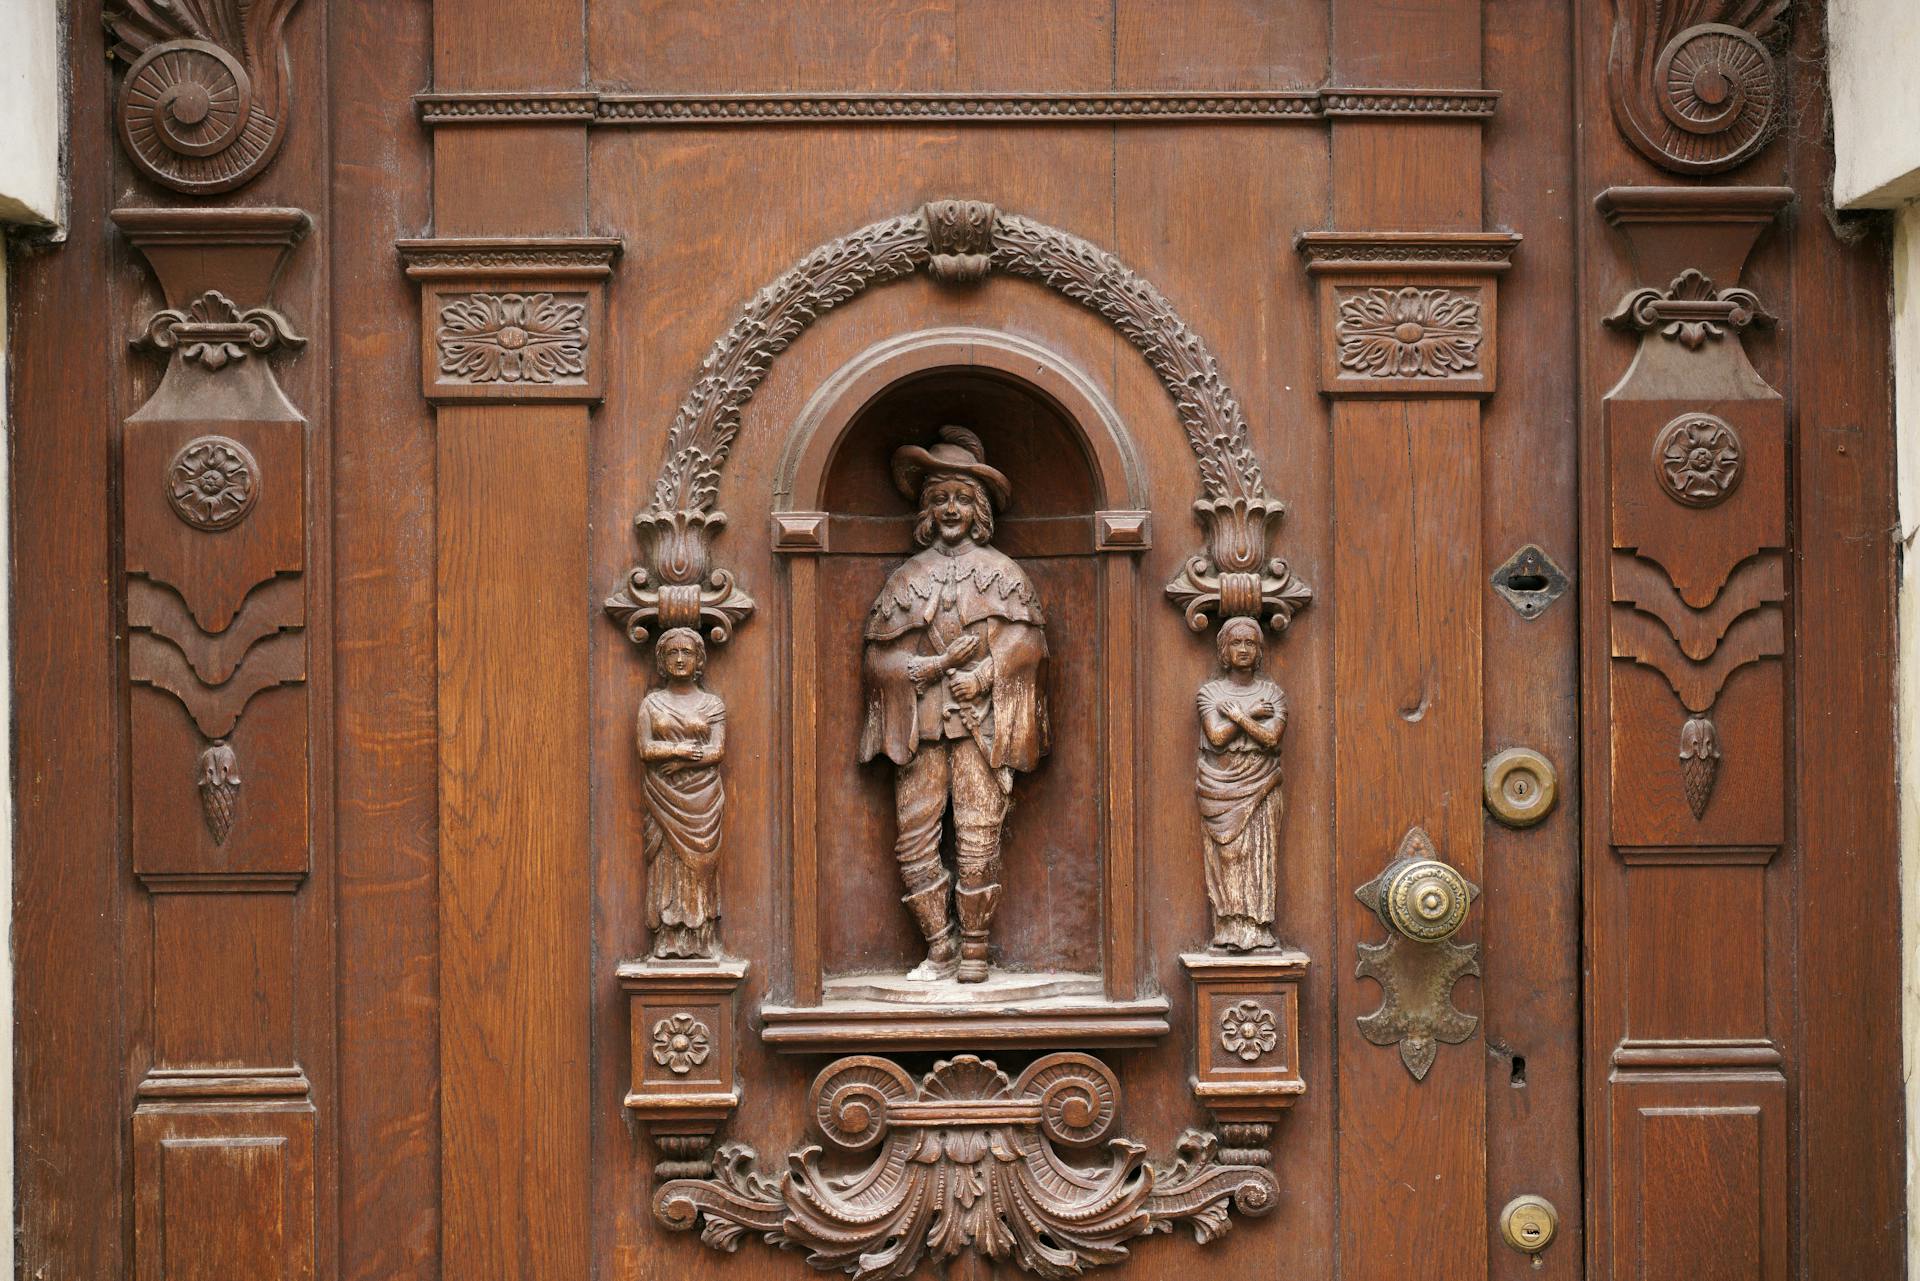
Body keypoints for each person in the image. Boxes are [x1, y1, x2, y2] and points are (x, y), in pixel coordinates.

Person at [859, 425, 1049, 982]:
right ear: (925, 508)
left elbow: (1029, 645)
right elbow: (877, 658)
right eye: (940, 498)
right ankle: (938, 945)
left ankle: (975, 951)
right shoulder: (905, 579)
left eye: (962, 498)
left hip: (978, 728)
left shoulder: (1003, 575)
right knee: (913, 838)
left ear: (980, 509)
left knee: (977, 831)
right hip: (920, 728)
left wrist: (986, 673)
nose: (950, 508)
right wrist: (914, 671)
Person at [1195, 615, 1287, 951]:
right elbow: (1216, 736)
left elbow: (1272, 738)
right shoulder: (1210, 693)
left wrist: (1237, 714)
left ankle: (1258, 926)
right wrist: (1248, 716)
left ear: (1260, 649)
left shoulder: (1272, 693)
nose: (1244, 649)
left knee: (1259, 852)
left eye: (1250, 643)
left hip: (1262, 783)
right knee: (1229, 855)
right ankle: (1229, 924)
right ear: (1224, 650)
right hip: (1220, 786)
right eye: (1236, 643)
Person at [638, 626, 727, 958]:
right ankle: (668, 938)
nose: (679, 659)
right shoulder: (652, 703)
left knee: (699, 865)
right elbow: (646, 748)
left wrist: (683, 758)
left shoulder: (711, 704)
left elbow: (717, 751)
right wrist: (679, 752)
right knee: (667, 864)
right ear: (662, 660)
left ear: (698, 659)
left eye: (686, 653)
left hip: (702, 801)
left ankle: (701, 938)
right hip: (663, 797)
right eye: (672, 653)